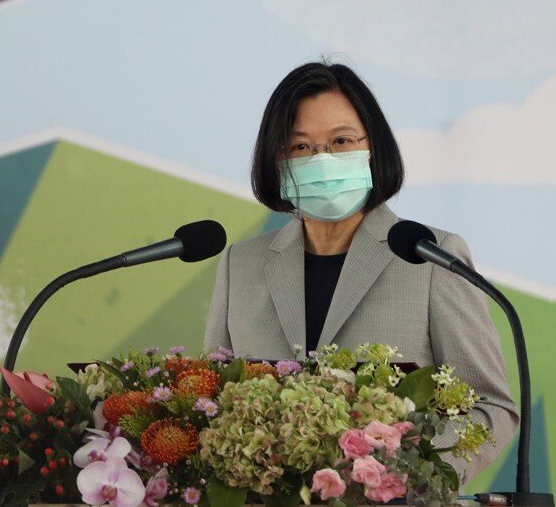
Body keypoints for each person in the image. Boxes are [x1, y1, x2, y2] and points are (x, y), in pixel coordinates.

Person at [203, 61, 517, 484]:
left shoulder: (431, 257)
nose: (323, 160)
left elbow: (488, 409)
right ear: (276, 161)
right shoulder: (240, 264)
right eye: (300, 148)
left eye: (342, 141)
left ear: (374, 149)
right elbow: (211, 403)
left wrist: (408, 479)